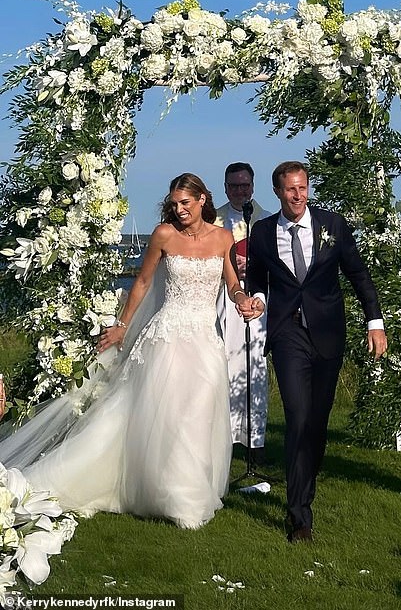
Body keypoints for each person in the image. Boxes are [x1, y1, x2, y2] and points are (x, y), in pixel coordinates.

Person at [0, 173, 252, 530]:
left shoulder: (223, 237)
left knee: (199, 413)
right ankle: (182, 499)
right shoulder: (164, 235)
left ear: (202, 200)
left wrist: (243, 300)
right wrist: (122, 325)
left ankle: (185, 488)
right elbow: (144, 281)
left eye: (186, 202)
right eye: (175, 203)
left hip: (205, 339)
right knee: (167, 414)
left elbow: (231, 283)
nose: (179, 209)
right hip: (167, 336)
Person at [240, 161, 387, 543]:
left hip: (327, 334)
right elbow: (257, 275)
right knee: (298, 416)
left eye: (303, 187)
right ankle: (299, 516)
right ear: (277, 192)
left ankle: (306, 476)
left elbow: (358, 274)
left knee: (316, 425)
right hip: (288, 333)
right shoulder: (262, 232)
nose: (298, 195)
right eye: (290, 189)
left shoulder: (333, 225)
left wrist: (375, 323)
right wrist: (256, 298)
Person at [215, 162, 271, 459]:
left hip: (257, 297)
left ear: (253, 186)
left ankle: (255, 438)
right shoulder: (215, 219)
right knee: (224, 362)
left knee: (254, 366)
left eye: (244, 185)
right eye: (234, 186)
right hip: (224, 298)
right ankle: (225, 433)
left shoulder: (264, 220)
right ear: (225, 188)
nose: (240, 191)